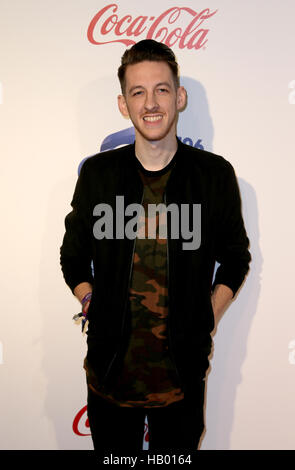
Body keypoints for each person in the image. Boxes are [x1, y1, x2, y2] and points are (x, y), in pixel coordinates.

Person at [60, 39, 251, 455]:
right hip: (109, 379)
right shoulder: (98, 174)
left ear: (179, 97)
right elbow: (72, 257)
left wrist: (207, 315)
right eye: (137, 92)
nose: (150, 103)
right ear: (122, 104)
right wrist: (93, 301)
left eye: (162, 89)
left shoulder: (214, 176)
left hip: (181, 381)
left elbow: (236, 258)